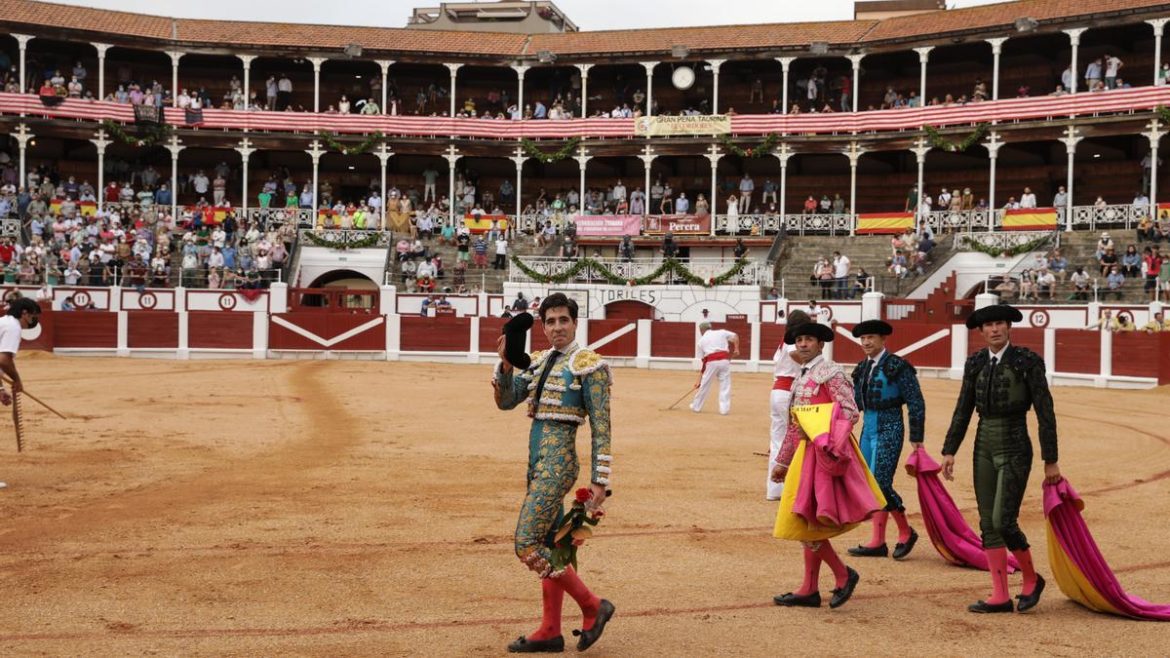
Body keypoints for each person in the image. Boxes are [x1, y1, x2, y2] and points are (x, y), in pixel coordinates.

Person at [493, 294, 615, 653]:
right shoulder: (539, 360)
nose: (557, 327)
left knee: (526, 544)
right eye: (550, 321)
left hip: (558, 464)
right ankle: (550, 630)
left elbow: (602, 427)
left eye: (563, 320)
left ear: (575, 322)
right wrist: (504, 364)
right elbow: (506, 401)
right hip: (536, 462)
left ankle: (593, 606)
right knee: (551, 545)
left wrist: (600, 480)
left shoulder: (589, 364)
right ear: (543, 326)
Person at [942, 304, 1060, 614]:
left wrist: (1051, 460)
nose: (994, 329)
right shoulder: (976, 363)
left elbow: (1045, 412)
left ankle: (1032, 578)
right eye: (989, 325)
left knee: (1003, 520)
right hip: (983, 445)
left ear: (1009, 327)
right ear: (981, 332)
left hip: (1015, 444)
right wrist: (949, 450)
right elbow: (963, 408)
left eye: (1000, 324)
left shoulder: (1027, 362)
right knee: (987, 523)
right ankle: (1000, 595)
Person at [770, 321, 880, 610]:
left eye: (809, 340)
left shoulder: (830, 373)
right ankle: (809, 588)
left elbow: (849, 412)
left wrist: (821, 434)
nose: (803, 344)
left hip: (823, 454)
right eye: (800, 340)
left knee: (808, 522)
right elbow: (796, 424)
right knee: (808, 519)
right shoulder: (802, 376)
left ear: (821, 345)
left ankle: (842, 574)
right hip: (806, 455)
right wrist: (782, 461)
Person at [847, 320, 925, 561]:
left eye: (871, 337)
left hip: (890, 426)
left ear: (883, 340)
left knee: (880, 482)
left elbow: (915, 400)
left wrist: (916, 436)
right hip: (868, 428)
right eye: (863, 338)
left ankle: (905, 531)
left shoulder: (897, 366)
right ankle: (877, 541)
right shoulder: (861, 368)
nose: (867, 342)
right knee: (869, 483)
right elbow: (855, 403)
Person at [766, 310, 810, 500]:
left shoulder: (785, 339)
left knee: (777, 439)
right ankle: (790, 488)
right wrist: (816, 364)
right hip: (790, 392)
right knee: (793, 439)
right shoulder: (795, 341)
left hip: (777, 391)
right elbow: (796, 355)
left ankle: (774, 490)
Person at [0, 297, 40, 489]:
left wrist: (0, 389)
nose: (32, 321)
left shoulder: (3, 323)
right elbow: (4, 360)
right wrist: (17, 380)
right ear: (24, 312)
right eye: (32, 316)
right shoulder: (13, 327)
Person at [690, 321, 740, 415]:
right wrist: (736, 348)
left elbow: (704, 361)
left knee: (705, 385)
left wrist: (700, 380)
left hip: (711, 362)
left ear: (701, 330)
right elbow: (735, 336)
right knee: (725, 385)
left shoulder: (701, 341)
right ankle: (724, 410)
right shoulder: (721, 332)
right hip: (725, 361)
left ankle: (696, 406)